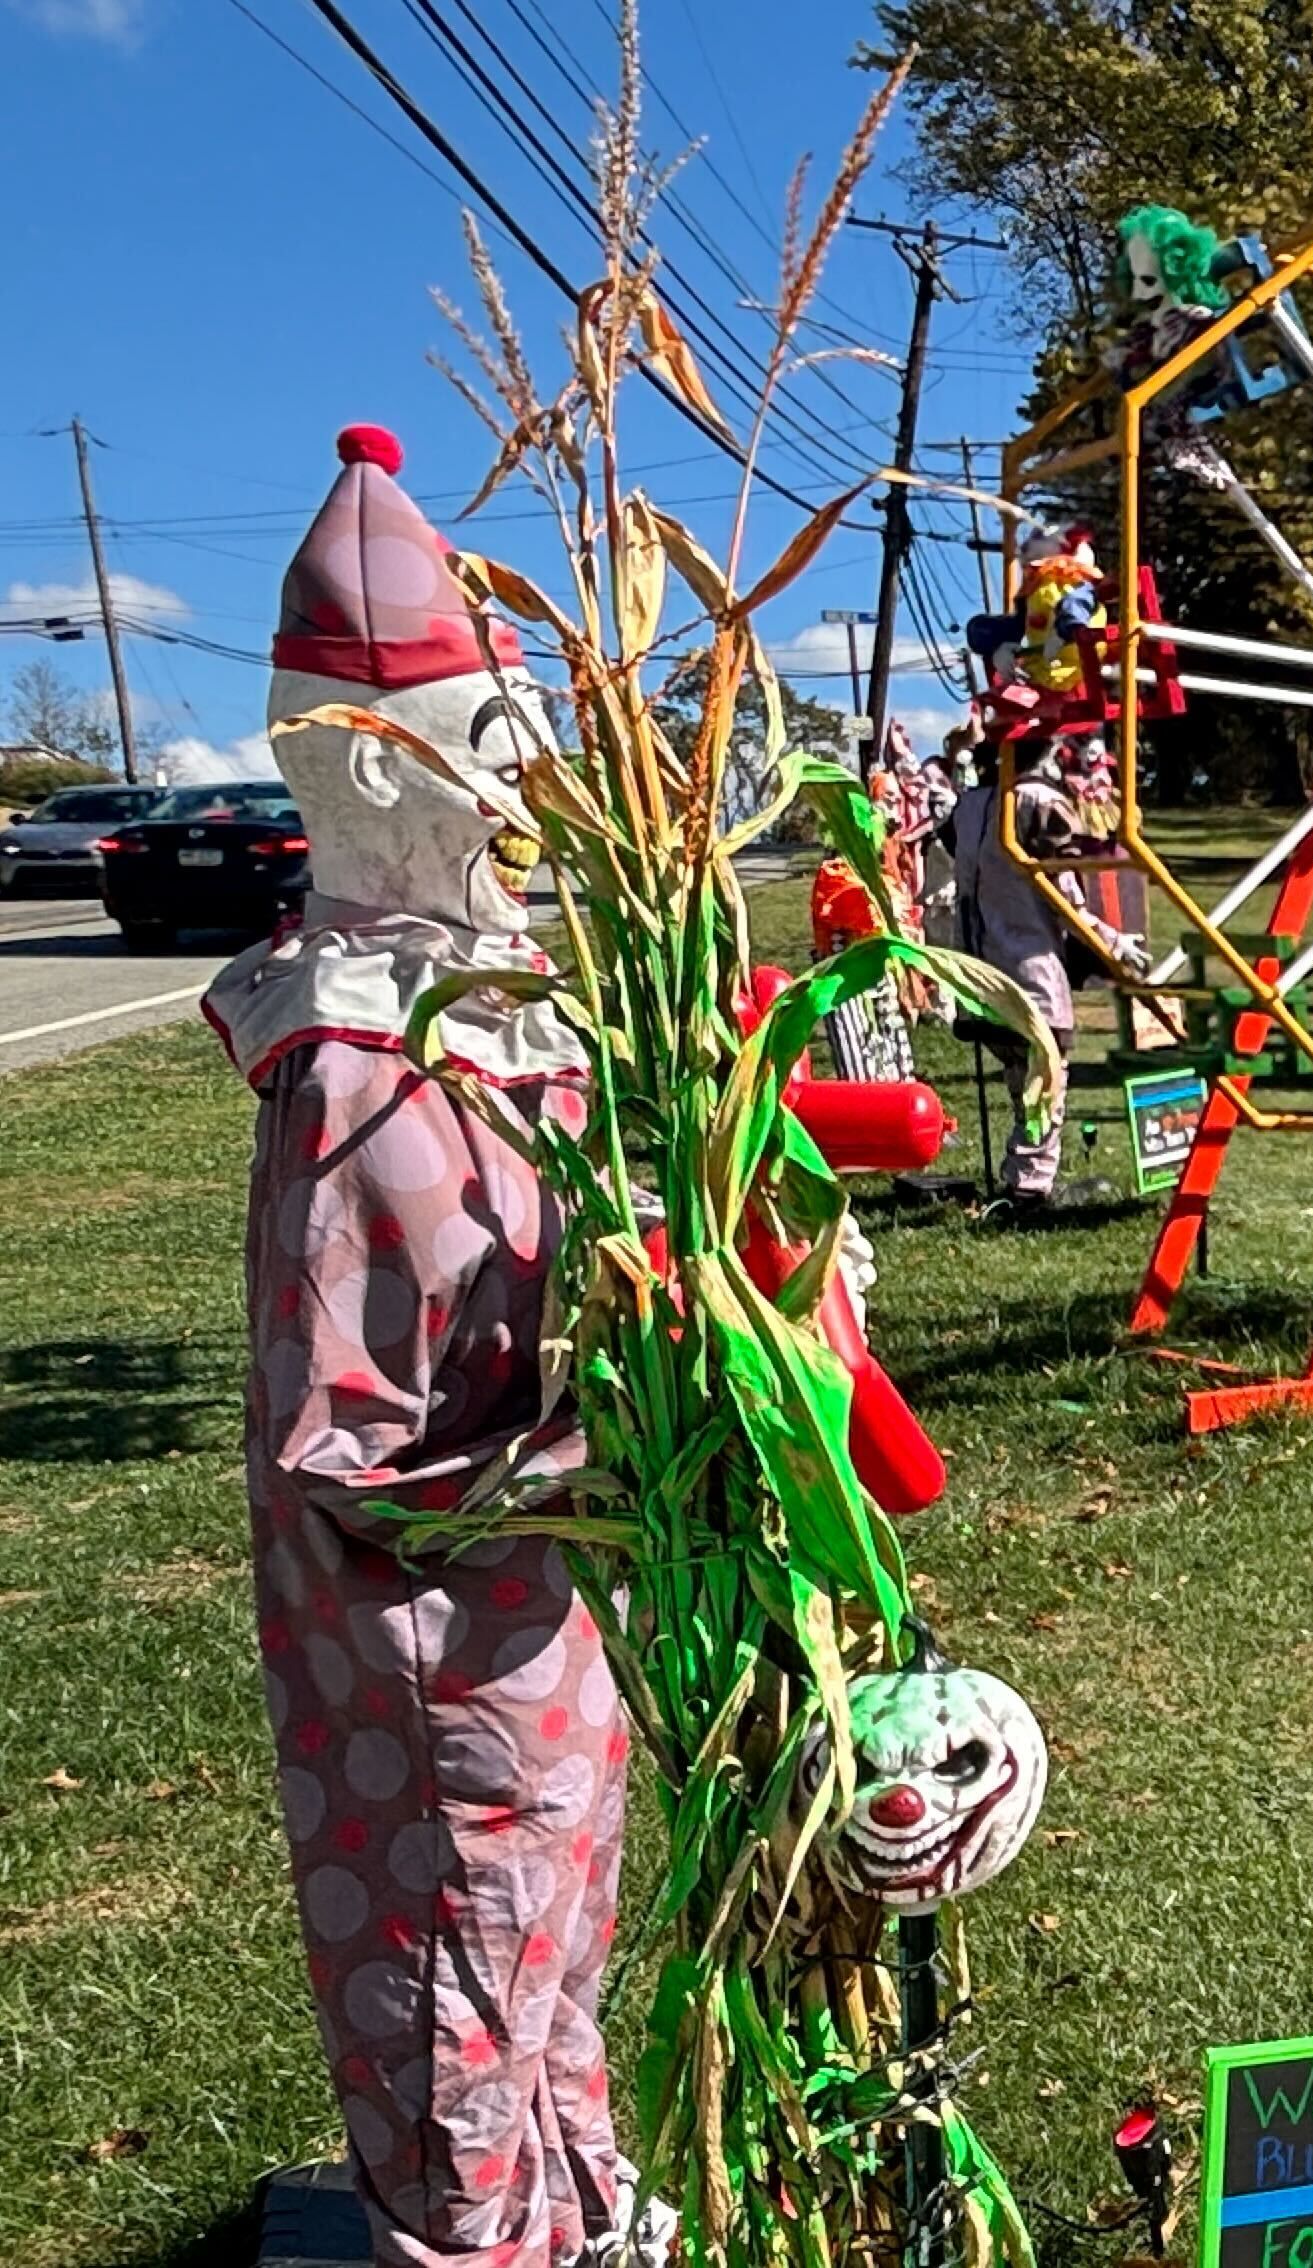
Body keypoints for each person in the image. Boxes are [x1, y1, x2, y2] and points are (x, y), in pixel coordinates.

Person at [204, 425, 658, 2268]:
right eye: (495, 748)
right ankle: (477, 2241)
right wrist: (606, 1443)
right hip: (437, 1664)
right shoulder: (358, 1069)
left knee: (564, 1949)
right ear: (368, 774)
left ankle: (582, 2208)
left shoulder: (518, 1012)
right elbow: (347, 1444)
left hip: (560, 1622)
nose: (531, 784)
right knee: (453, 1978)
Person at [948, 743, 1080, 1206]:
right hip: (1029, 964)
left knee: (1020, 1073)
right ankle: (1029, 1186)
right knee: (1045, 1078)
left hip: (978, 965)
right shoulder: (1036, 801)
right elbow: (1063, 886)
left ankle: (1019, 1171)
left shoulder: (967, 806)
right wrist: (1107, 940)